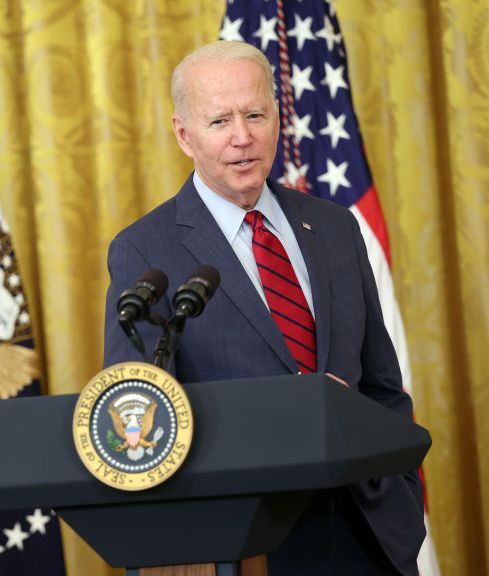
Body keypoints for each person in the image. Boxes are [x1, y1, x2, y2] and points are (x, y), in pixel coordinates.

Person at [103, 41, 425, 575]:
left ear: (278, 117)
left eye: (256, 114)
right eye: (219, 120)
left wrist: (402, 503)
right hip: (244, 544)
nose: (242, 137)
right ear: (184, 134)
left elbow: (384, 388)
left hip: (368, 534)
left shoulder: (336, 226)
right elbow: (141, 420)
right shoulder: (144, 250)